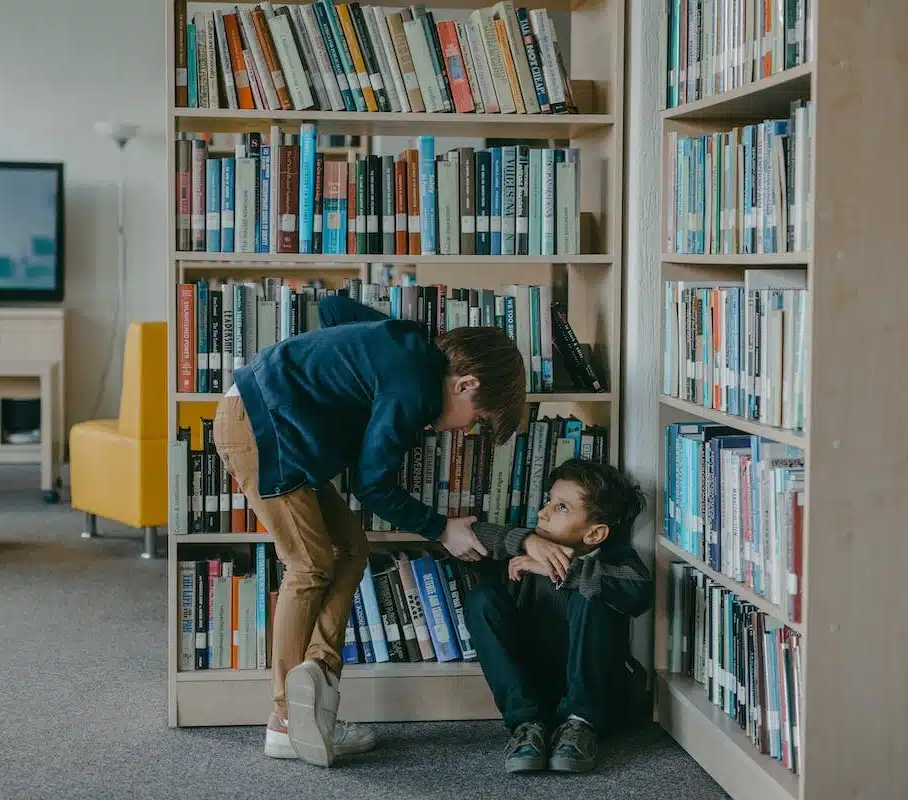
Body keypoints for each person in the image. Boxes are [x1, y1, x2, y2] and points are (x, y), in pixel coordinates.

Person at [212, 293, 526, 768]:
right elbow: (372, 486)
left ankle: (315, 679)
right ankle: (282, 720)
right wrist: (442, 529)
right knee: (310, 565)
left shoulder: (409, 342)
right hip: (261, 429)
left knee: (350, 549)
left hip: (278, 427)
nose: (463, 433)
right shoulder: (414, 390)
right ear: (465, 384)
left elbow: (336, 308)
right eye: (477, 421)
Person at [462, 458, 653, 775]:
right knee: (482, 599)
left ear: (595, 534)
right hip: (537, 691)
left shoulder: (614, 560)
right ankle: (526, 724)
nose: (544, 512)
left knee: (591, 595)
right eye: (549, 501)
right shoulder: (532, 545)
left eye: (562, 507)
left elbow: (639, 590)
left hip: (599, 695)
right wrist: (525, 541)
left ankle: (580, 725)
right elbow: (472, 534)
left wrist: (565, 573)